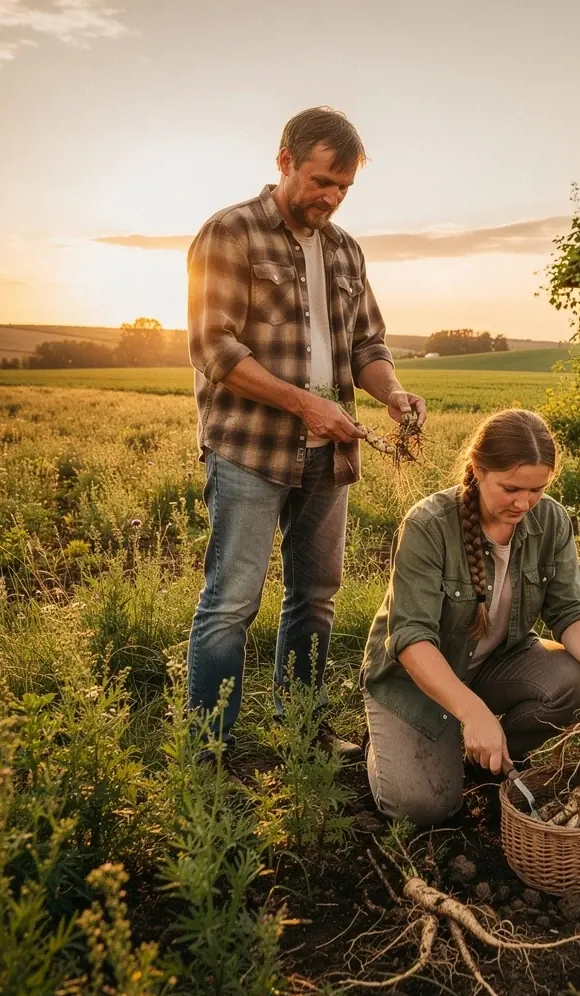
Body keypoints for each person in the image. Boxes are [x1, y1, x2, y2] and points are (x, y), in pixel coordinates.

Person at [186, 106, 426, 759]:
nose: (332, 197)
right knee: (231, 603)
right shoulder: (229, 233)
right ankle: (208, 752)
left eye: (344, 186)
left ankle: (302, 731)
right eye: (322, 181)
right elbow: (214, 348)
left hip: (330, 454)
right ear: (285, 161)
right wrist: (305, 406)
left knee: (315, 598)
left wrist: (392, 393)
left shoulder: (346, 250)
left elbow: (367, 345)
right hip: (249, 450)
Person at [359, 409, 580, 825]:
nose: (523, 503)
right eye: (510, 488)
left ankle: (489, 755)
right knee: (424, 807)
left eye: (537, 490)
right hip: (416, 681)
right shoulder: (429, 525)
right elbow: (411, 638)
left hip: (494, 664)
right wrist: (473, 712)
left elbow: (572, 610)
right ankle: (384, 742)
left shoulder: (550, 520)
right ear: (478, 470)